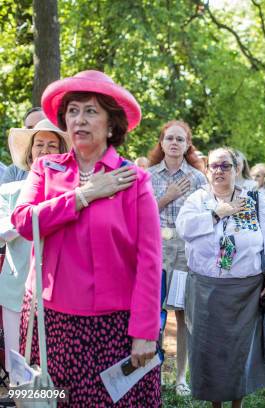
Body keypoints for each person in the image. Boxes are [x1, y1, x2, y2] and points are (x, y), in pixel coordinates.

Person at [11, 70, 162, 406]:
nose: (79, 119)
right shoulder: (46, 169)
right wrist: (83, 195)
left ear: (112, 124)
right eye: (73, 110)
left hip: (115, 329)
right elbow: (23, 221)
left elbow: (150, 261)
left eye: (91, 111)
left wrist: (144, 331)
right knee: (49, 402)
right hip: (49, 323)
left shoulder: (133, 180)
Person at [176, 147, 265, 408]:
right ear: (206, 170)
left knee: (240, 353)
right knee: (208, 352)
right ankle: (215, 404)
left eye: (225, 166)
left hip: (245, 291)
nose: (219, 171)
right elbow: (184, 229)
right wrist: (218, 212)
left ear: (237, 169)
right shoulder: (197, 200)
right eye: (213, 166)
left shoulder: (255, 200)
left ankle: (236, 404)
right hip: (205, 289)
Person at [0, 119, 70, 382]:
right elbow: (2, 232)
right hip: (15, 288)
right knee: (18, 368)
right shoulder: (8, 191)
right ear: (30, 153)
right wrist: (35, 213)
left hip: (60, 291)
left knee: (54, 368)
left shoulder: (72, 194)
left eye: (52, 145)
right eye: (39, 144)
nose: (44, 149)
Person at [147, 119, 206, 397]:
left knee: (183, 315)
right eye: (169, 138)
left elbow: (205, 217)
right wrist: (167, 196)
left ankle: (181, 377)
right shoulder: (147, 176)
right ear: (161, 143)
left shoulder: (197, 178)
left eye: (180, 139)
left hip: (185, 253)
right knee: (154, 314)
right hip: (155, 252)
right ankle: (152, 374)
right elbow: (139, 215)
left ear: (187, 145)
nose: (174, 143)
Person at [1, 107, 46, 185]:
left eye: (41, 126)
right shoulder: (14, 171)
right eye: (30, 128)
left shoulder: (66, 168)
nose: (35, 132)